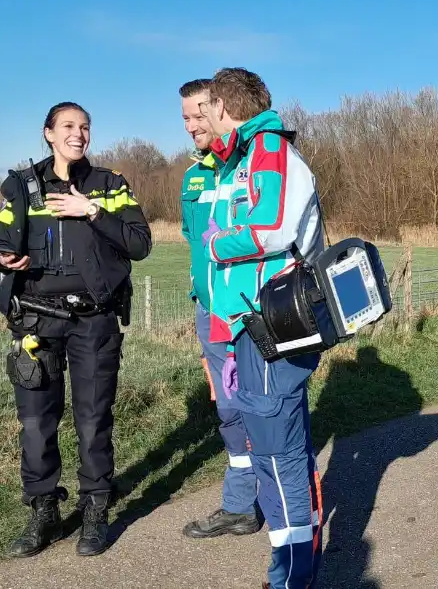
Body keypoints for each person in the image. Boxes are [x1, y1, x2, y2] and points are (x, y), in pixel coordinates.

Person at [0, 102, 152, 558]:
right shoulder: (23, 186)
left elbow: (140, 244)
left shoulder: (110, 185)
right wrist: (3, 258)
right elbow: (0, 240)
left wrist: (92, 212)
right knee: (37, 423)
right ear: (48, 133)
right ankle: (43, 510)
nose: (78, 134)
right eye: (68, 126)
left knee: (93, 417)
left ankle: (95, 510)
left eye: (85, 127)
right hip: (36, 320)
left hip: (95, 320)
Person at [197, 67, 326, 588]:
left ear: (224, 108)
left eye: (205, 110)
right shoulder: (248, 156)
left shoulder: (268, 151)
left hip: (273, 324)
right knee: (282, 444)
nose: (202, 120)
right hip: (253, 325)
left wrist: (215, 242)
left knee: (276, 452)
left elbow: (270, 229)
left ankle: (292, 572)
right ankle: (298, 555)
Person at [177, 78, 263, 539]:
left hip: (250, 312)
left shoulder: (252, 162)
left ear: (220, 108)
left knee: (264, 404)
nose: (193, 125)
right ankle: (240, 503)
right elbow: (195, 242)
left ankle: (276, 498)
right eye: (185, 118)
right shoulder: (193, 175)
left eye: (199, 114)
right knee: (228, 408)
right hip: (210, 312)